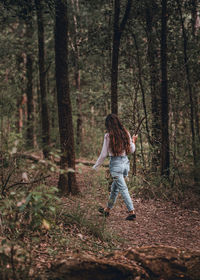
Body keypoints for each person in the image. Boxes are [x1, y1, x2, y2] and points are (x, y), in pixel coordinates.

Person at [92, 114, 138, 221]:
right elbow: (131, 150)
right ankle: (107, 210)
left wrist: (95, 166)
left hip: (116, 166)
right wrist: (133, 141)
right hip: (126, 164)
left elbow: (104, 154)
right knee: (115, 189)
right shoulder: (126, 133)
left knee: (122, 188)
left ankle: (132, 212)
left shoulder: (108, 136)